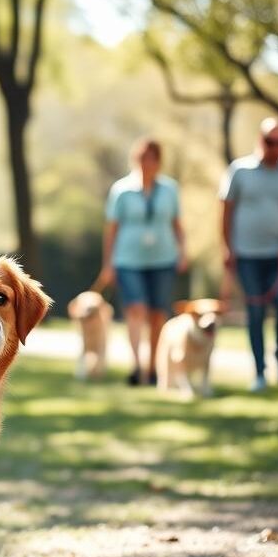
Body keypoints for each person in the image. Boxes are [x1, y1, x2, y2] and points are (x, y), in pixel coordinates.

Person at [220, 117, 278, 392]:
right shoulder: (240, 170)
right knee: (255, 312)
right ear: (261, 140)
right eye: (271, 141)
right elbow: (225, 210)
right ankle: (259, 373)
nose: (276, 147)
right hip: (246, 254)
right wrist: (227, 246)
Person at [97, 137, 187, 386]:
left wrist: (183, 251)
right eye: (143, 158)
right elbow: (111, 229)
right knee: (136, 309)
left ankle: (153, 366)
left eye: (153, 158)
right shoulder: (122, 190)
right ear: (136, 160)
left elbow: (177, 224)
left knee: (158, 313)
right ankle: (137, 366)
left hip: (163, 258)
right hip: (128, 259)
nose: (148, 163)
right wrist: (108, 263)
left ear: (159, 162)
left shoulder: (170, 189)